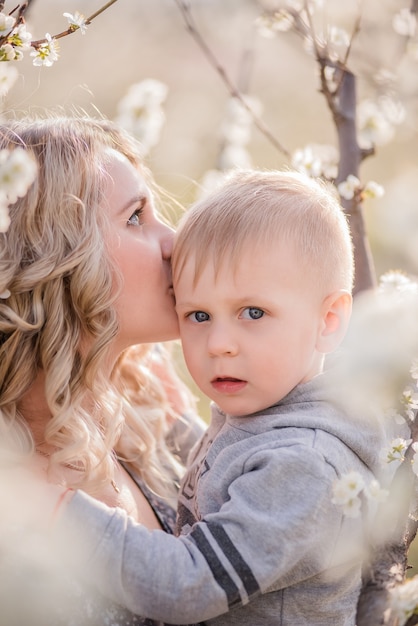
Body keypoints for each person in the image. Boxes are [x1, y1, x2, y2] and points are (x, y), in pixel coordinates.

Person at [40, 169, 393, 625]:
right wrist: (177, 426)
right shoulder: (274, 415)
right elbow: (227, 474)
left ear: (327, 321)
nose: (218, 343)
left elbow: (186, 585)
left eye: (253, 312)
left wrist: (62, 514)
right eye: (199, 314)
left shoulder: (305, 465)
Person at [0, 113, 205, 626]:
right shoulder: (13, 507)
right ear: (53, 258)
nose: (174, 241)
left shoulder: (149, 411)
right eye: (135, 216)